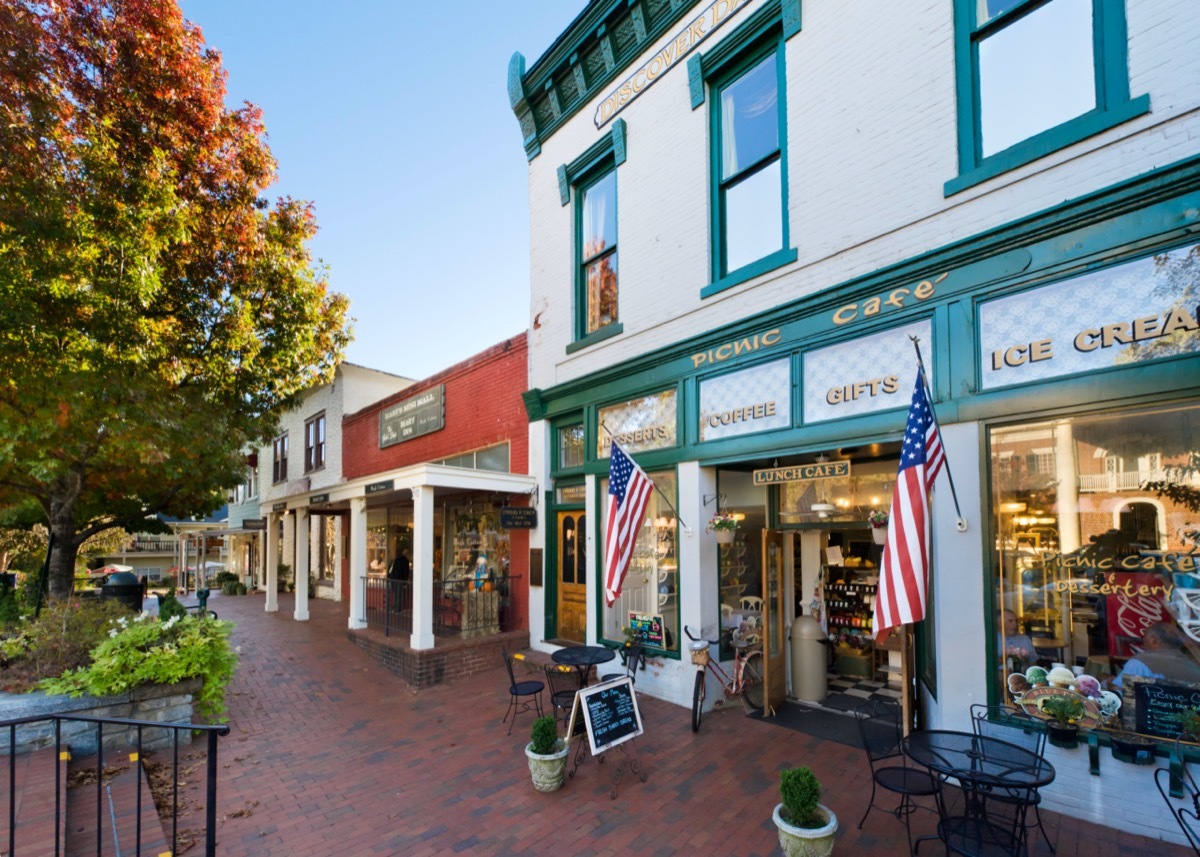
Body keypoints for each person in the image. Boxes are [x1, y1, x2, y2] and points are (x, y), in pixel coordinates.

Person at [1112, 622, 1200, 689]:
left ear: (1153, 640)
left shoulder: (1140, 662)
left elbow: (1118, 691)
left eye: (1144, 639)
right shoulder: (1193, 663)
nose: (1143, 645)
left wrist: (1108, 683)